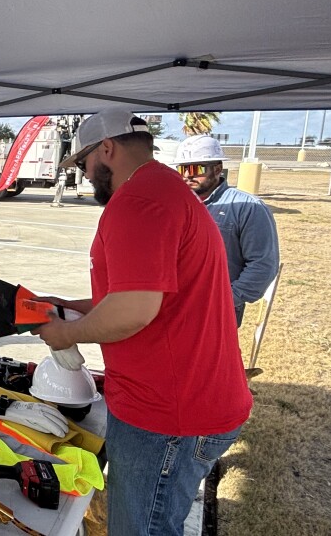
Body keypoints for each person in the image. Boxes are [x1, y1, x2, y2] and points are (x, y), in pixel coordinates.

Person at [32, 108, 252, 536]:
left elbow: (134, 310)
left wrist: (66, 333)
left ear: (107, 149)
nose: (84, 174)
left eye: (83, 163)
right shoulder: (167, 189)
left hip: (167, 416)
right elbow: (139, 295)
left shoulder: (136, 202)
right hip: (191, 403)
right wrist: (71, 306)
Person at [174, 135, 281, 326]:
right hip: (175, 306)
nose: (188, 175)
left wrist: (225, 299)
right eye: (183, 168)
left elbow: (262, 264)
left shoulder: (248, 207)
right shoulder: (175, 204)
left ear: (217, 169)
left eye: (196, 168)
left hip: (216, 312)